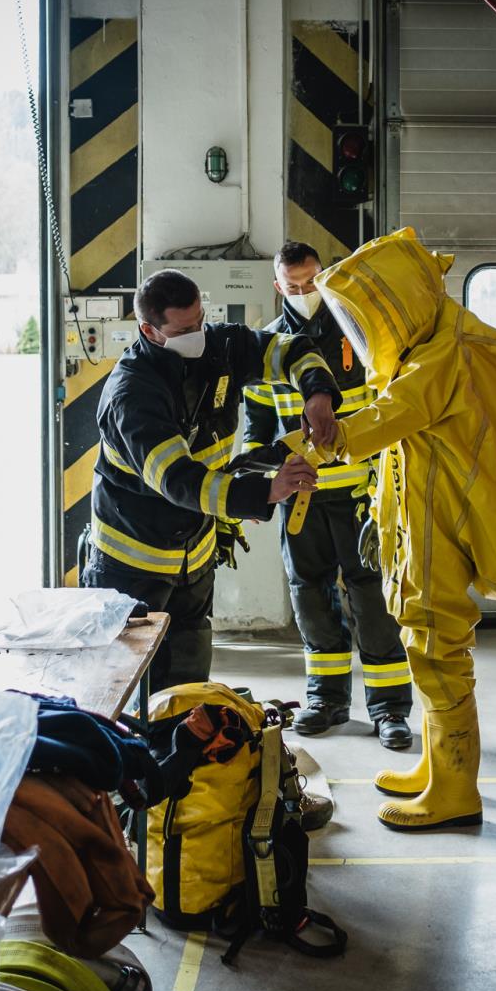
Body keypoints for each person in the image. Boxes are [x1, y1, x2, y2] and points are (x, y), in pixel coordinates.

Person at [310, 227, 496, 832]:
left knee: (436, 643)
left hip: (440, 522)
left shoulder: (447, 353)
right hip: (424, 518)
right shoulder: (436, 339)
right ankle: (437, 766)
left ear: (399, 300)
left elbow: (394, 415)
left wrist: (325, 439)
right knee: (423, 639)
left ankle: (455, 789)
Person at [84, 269, 341, 691]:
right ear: (149, 330)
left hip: (195, 559)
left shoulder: (222, 347)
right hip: (131, 568)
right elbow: (178, 480)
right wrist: (264, 491)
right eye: (183, 331)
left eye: (200, 322)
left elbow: (291, 349)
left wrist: (318, 394)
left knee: (188, 688)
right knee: (127, 690)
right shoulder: (132, 395)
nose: (197, 336)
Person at [243, 242, 414, 750]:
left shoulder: (359, 336)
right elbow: (255, 429)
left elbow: (389, 412)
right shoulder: (266, 349)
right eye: (293, 286)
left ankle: (389, 708)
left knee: (373, 599)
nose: (304, 293)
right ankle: (326, 700)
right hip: (301, 500)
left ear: (325, 277)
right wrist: (258, 485)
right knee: (310, 598)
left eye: (311, 282)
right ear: (278, 287)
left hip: (363, 496)